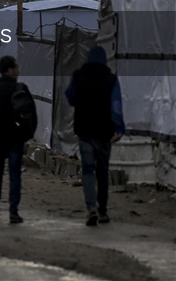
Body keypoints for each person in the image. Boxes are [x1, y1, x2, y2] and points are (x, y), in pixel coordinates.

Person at [66, 46, 125, 226]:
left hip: (84, 131)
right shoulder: (111, 79)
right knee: (102, 172)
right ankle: (102, 211)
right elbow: (116, 105)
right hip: (104, 132)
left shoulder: (78, 76)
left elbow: (70, 98)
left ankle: (91, 207)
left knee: (87, 170)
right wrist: (119, 128)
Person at [0, 55, 36, 225]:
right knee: (15, 173)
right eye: (16, 68)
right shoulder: (20, 89)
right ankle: (13, 211)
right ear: (9, 70)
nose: (18, 71)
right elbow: (31, 113)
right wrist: (27, 133)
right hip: (16, 138)